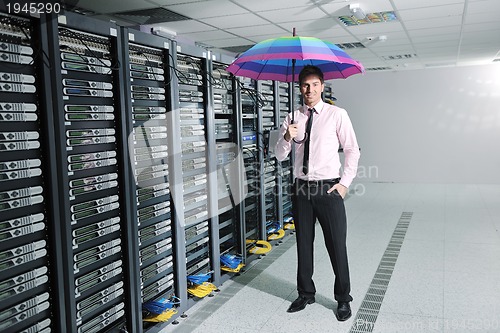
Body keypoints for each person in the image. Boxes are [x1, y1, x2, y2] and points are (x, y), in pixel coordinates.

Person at [274, 65, 360, 321]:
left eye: (314, 85)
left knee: (336, 246)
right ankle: (305, 293)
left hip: (328, 188)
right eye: (304, 85)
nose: (309, 90)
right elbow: (279, 155)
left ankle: (343, 299)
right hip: (301, 189)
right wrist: (286, 137)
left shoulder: (337, 114)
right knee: (303, 245)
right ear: (299, 87)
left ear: (322, 86)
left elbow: (352, 150)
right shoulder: (292, 118)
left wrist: (344, 184)